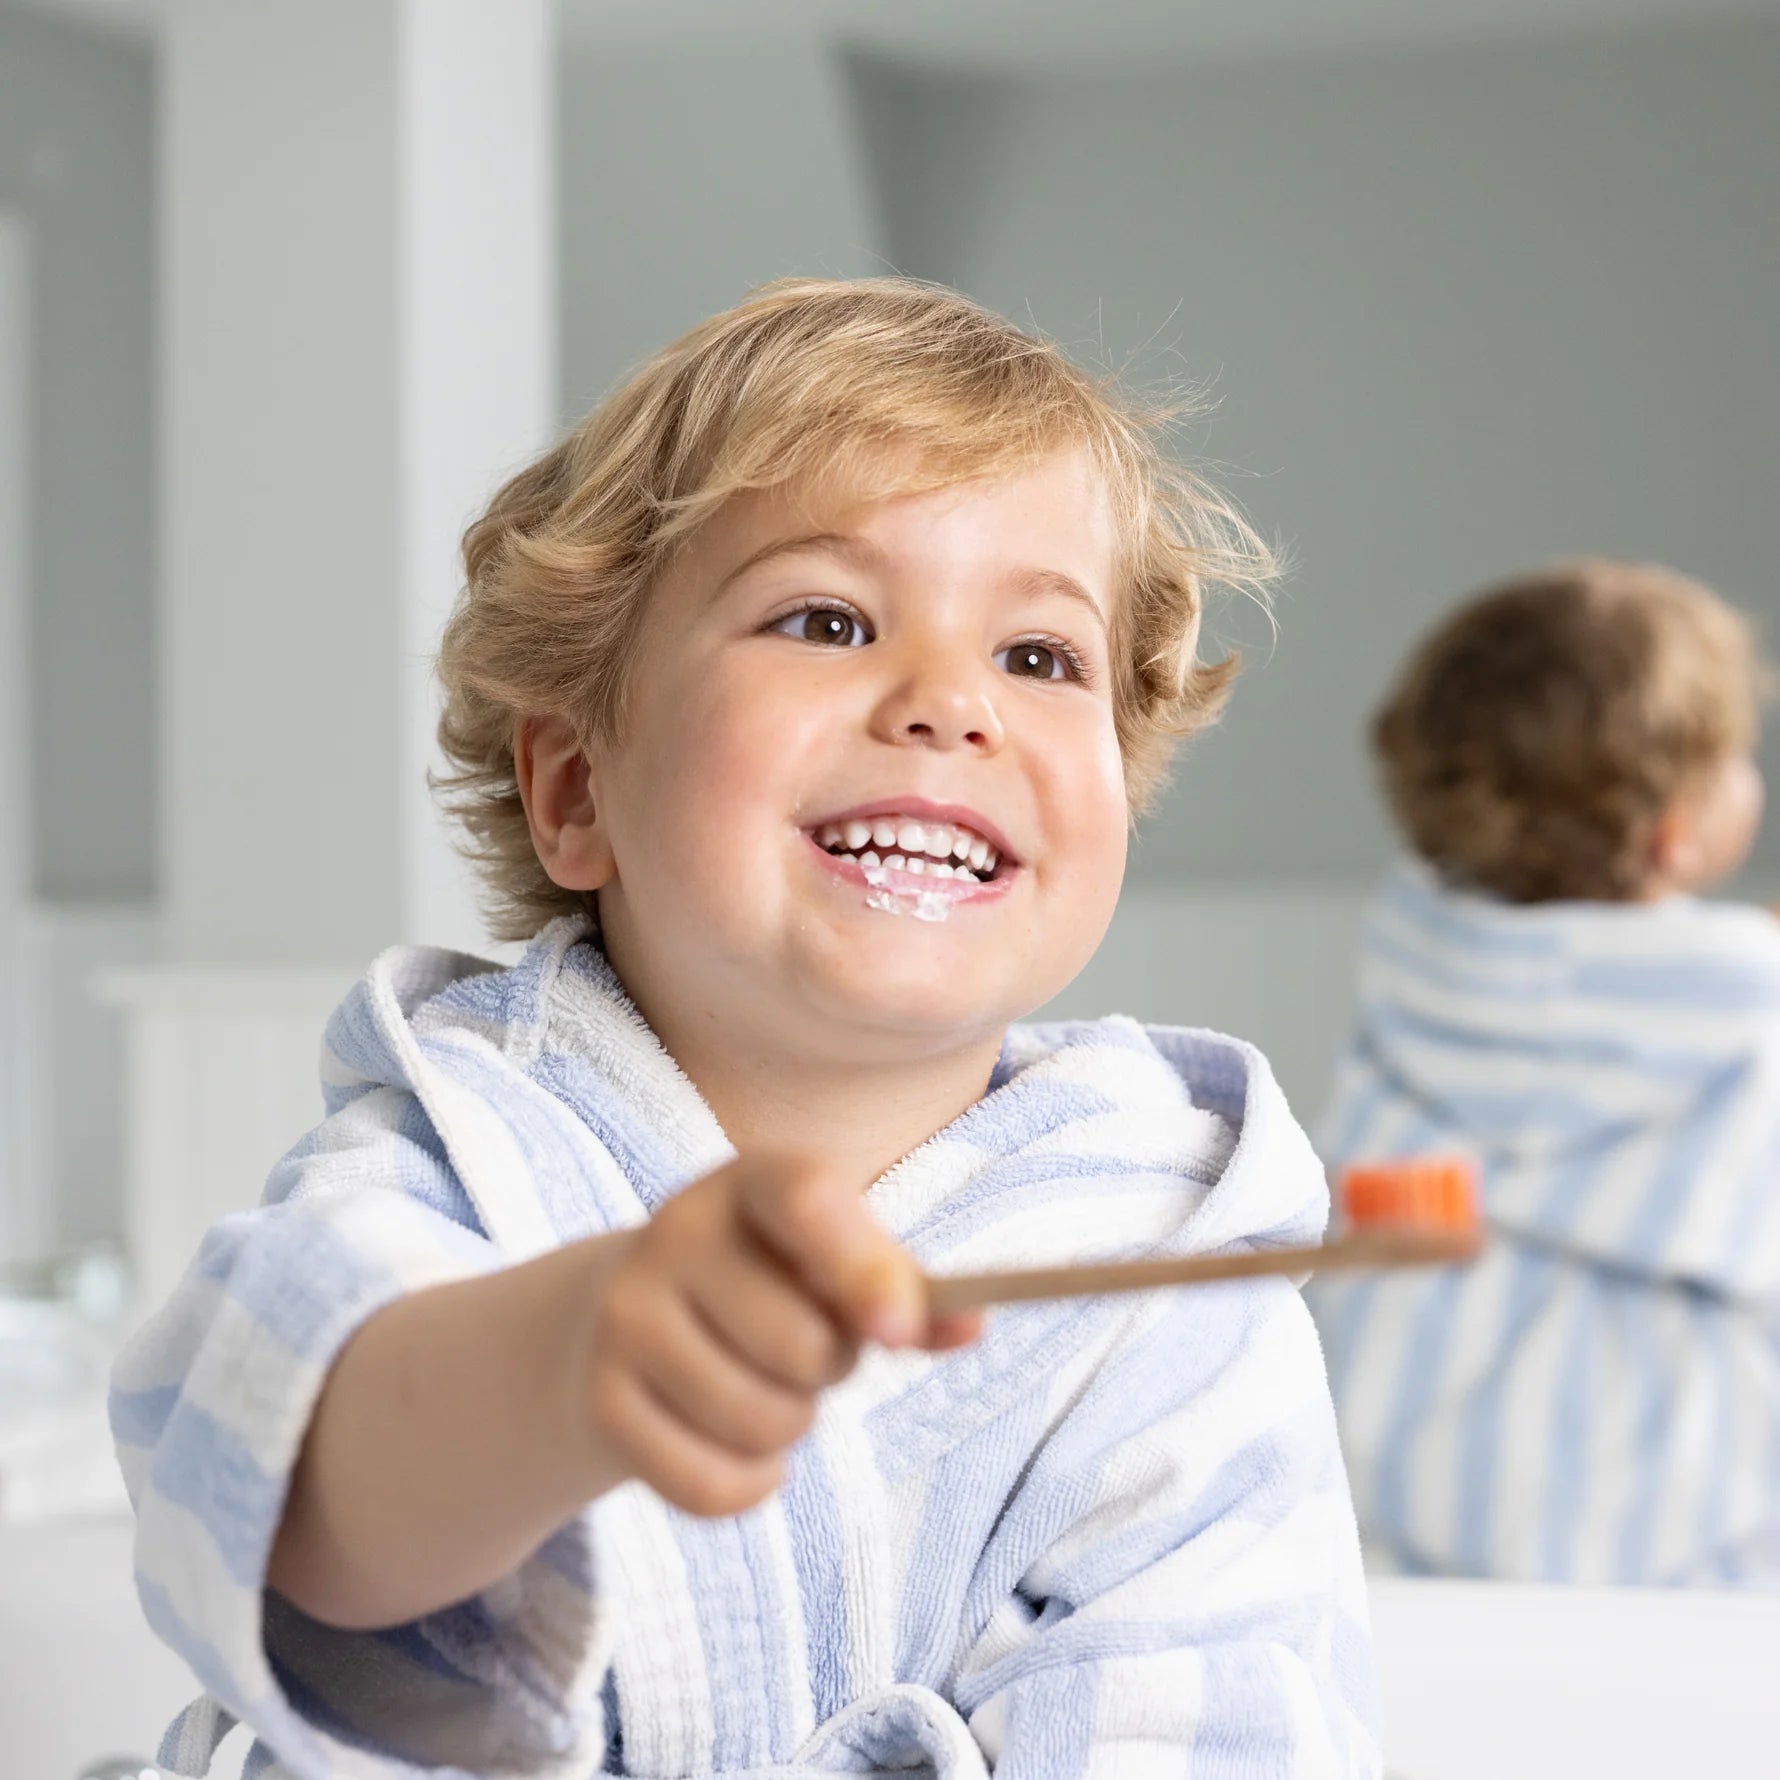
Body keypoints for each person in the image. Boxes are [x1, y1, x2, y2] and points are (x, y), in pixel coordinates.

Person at [113, 277, 1379, 1778]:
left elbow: (1205, 1726)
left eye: (1039, 657)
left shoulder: (1175, 1282)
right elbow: (266, 1469)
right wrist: (561, 1359)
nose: (947, 703)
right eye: (829, 619)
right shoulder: (465, 1147)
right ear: (578, 789)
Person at [1311, 559, 1780, 1588]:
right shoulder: (1749, 1021)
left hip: (1402, 1538)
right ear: (1675, 836)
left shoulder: (1414, 972)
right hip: (1687, 1562)